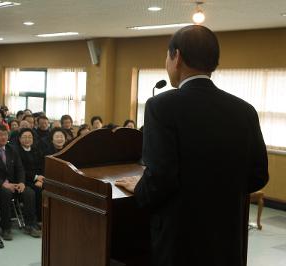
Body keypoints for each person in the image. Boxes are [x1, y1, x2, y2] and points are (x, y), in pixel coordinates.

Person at [115, 25, 269, 266]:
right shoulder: (244, 110)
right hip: (227, 237)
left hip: (180, 241)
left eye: (167, 55)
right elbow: (258, 176)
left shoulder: (161, 106)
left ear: (177, 57)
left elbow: (161, 179)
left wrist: (141, 187)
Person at [0, 125, 41, 240]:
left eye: (5, 134)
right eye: (0, 135)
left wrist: (21, 182)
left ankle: (30, 225)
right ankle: (6, 228)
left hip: (14, 183)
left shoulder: (12, 149)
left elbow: (20, 168)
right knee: (5, 193)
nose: (3, 137)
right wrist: (3, 184)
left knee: (29, 192)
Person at [11, 128, 44, 223]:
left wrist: (40, 179)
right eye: (24, 137)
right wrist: (36, 177)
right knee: (33, 192)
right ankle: (32, 222)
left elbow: (42, 166)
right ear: (19, 139)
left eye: (30, 137)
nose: (27, 139)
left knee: (47, 190)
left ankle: (42, 219)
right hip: (23, 180)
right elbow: (20, 169)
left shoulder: (36, 150)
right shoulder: (16, 152)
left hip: (37, 180)